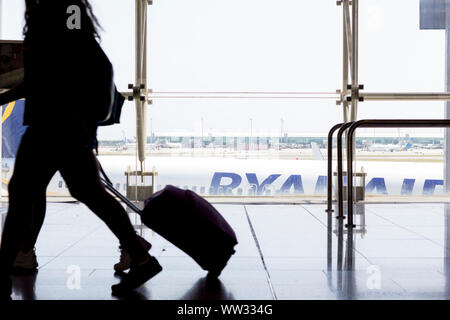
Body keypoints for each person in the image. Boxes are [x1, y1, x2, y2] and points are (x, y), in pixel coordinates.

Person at [0, 0, 161, 299]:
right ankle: (141, 257)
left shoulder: (54, 23)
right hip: (62, 127)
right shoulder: (59, 24)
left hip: (53, 127)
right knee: (86, 192)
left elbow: (73, 72)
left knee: (23, 194)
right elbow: (43, 80)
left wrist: (82, 117)